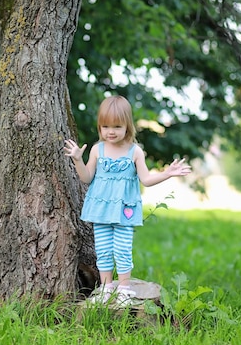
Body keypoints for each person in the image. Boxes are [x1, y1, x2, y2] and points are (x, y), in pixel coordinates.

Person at [64, 95, 191, 306]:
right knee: (103, 250)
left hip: (125, 210)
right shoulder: (98, 150)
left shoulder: (135, 152)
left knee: (122, 249)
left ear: (127, 126)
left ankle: (123, 288)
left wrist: (167, 173)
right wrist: (77, 159)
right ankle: (105, 287)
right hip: (101, 210)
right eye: (105, 126)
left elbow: (147, 179)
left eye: (116, 126)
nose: (110, 131)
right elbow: (86, 177)